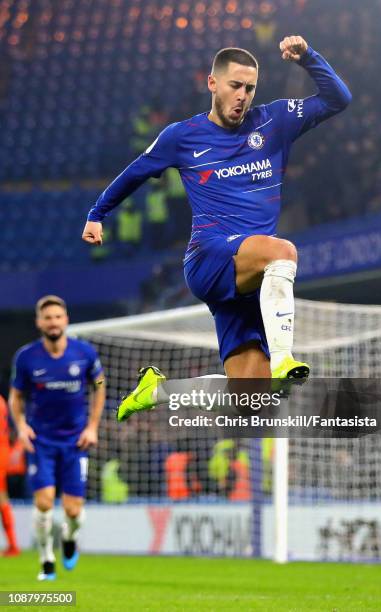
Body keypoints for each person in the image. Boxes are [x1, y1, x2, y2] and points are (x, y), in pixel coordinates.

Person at [82, 36, 351, 420]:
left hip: (248, 276)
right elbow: (135, 173)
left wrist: (309, 58)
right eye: (235, 85)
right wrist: (97, 213)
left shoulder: (273, 122)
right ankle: (284, 358)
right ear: (213, 84)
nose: (242, 95)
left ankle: (159, 391)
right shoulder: (182, 136)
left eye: (250, 87)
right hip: (210, 257)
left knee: (251, 404)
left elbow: (338, 99)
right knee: (284, 251)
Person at [9, 295, 105, 580]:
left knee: (74, 512)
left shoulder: (85, 353)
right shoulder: (26, 357)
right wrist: (21, 425)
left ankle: (69, 538)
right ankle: (46, 560)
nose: (53, 322)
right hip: (42, 441)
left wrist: (93, 426)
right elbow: (16, 396)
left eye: (57, 317)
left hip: (76, 442)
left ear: (66, 320)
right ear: (39, 322)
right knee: (44, 503)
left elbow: (99, 386)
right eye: (47, 317)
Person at [0, 393, 20, 556]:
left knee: (2, 497)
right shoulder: (1, 401)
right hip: (3, 450)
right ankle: (13, 545)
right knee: (2, 497)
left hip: (0, 451)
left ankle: (13, 545)